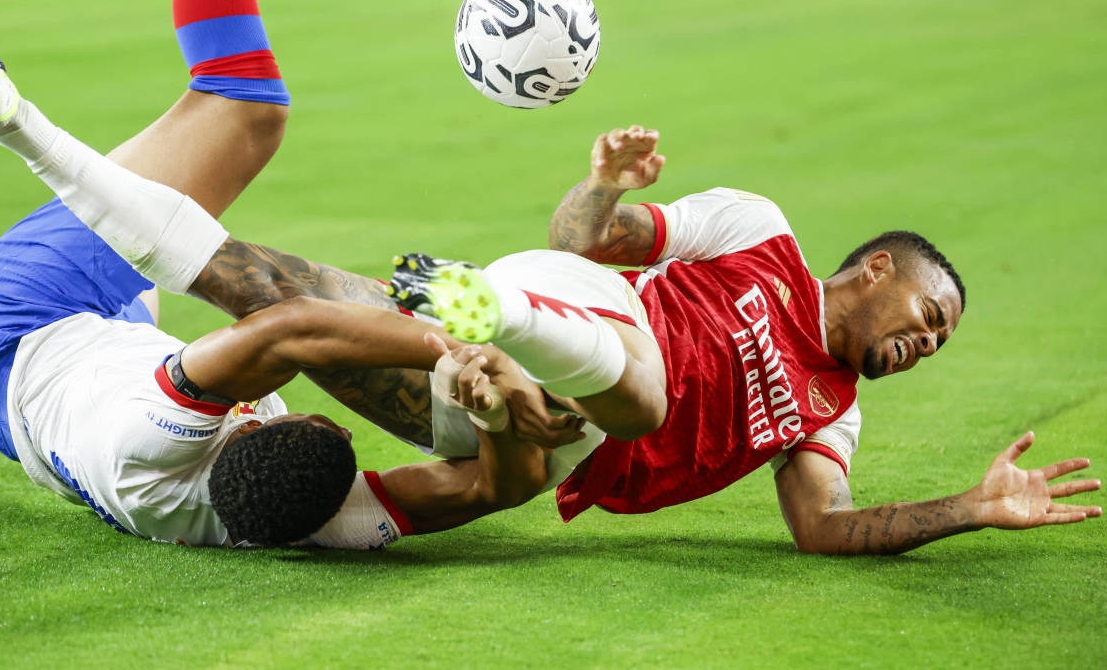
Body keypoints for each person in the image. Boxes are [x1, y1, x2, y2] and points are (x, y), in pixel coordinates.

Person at [0, 0, 551, 549]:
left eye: (322, 423)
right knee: (133, 277)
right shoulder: (293, 511)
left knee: (243, 105)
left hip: (19, 315)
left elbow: (287, 328)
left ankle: (14, 121)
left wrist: (465, 354)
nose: (343, 423)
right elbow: (494, 488)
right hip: (26, 404)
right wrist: (491, 421)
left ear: (248, 427)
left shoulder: (153, 436)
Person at [381, 124, 1102, 554]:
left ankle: (285, 491)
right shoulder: (758, 231)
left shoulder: (834, 411)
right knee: (298, 306)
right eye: (931, 316)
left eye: (940, 341)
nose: (932, 342)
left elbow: (824, 525)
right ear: (879, 269)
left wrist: (971, 507)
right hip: (586, 342)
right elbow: (580, 241)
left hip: (577, 445)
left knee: (423, 468)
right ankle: (492, 315)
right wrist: (604, 184)